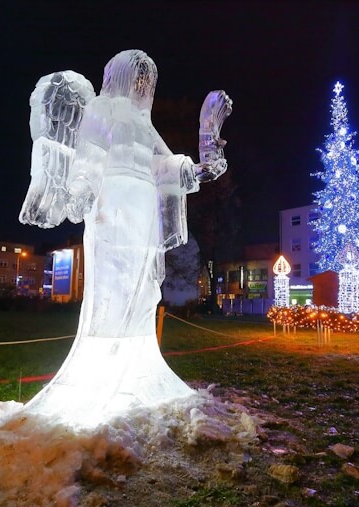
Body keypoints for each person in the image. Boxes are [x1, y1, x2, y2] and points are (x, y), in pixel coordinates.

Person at [18, 50, 232, 426]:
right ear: (121, 76)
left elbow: (162, 165)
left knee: (145, 288)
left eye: (149, 80)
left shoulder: (144, 123)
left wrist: (200, 158)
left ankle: (138, 366)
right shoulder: (103, 109)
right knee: (112, 288)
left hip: (143, 212)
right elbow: (90, 155)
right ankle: (103, 372)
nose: (144, 86)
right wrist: (80, 189)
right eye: (139, 77)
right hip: (112, 207)